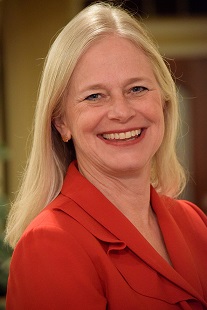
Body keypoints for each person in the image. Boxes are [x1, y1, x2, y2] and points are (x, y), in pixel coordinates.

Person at [5, 2, 207, 309]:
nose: (122, 112)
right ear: (61, 122)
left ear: (164, 102)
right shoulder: (50, 245)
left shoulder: (195, 224)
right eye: (94, 96)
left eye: (137, 89)